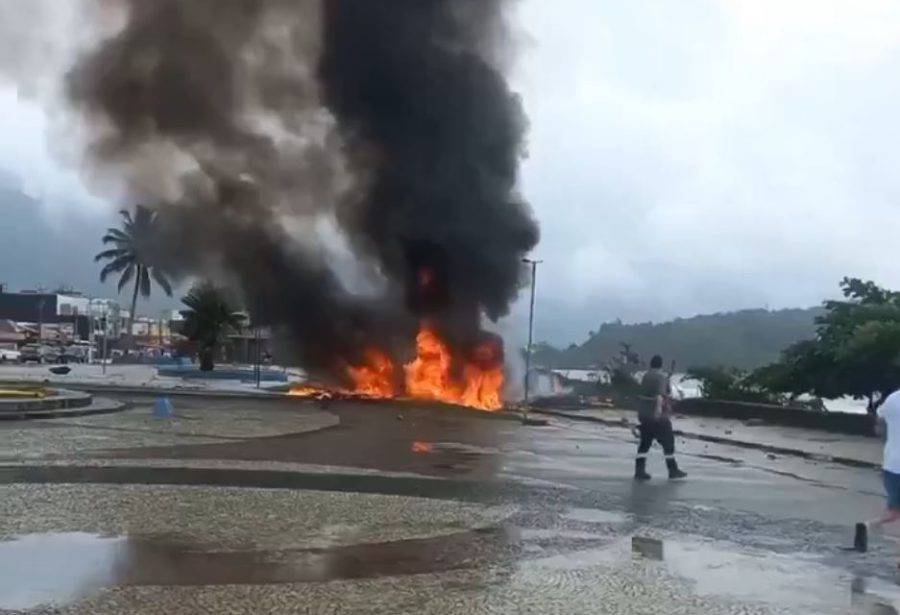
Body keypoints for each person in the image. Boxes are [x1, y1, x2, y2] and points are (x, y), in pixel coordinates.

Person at [855, 389, 900, 552]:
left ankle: (868, 525)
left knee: (894, 511)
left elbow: (879, 426)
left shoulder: (893, 398)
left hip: (891, 464)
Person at [635, 355, 687, 481]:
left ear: (651, 364)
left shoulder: (646, 376)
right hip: (657, 415)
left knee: (645, 443)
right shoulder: (661, 377)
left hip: (644, 414)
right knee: (668, 442)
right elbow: (662, 395)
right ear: (661, 364)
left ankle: (639, 470)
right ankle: (672, 470)